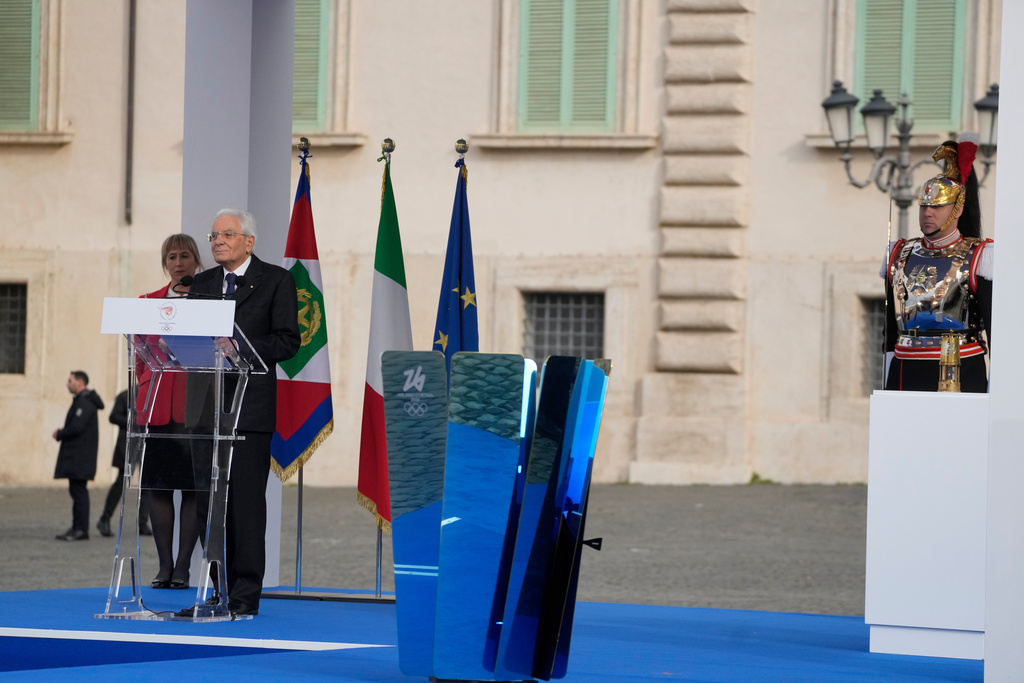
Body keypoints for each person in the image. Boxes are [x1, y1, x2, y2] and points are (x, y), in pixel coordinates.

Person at [185, 208, 300, 616]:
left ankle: (245, 596)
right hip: (205, 409)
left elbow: (289, 342)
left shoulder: (276, 281)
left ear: (248, 241)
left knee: (245, 506)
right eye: (213, 234)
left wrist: (242, 345)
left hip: (248, 411)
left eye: (227, 234)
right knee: (208, 504)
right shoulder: (201, 284)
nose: (217, 241)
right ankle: (217, 591)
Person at [883, 137, 994, 392]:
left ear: (957, 208)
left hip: (961, 368)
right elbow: (889, 332)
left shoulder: (980, 256)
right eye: (924, 205)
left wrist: (994, 391)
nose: (928, 213)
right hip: (904, 371)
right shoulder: (899, 253)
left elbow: (995, 331)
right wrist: (886, 382)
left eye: (937, 206)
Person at [53, 371, 104, 541]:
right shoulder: (83, 401)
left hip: (80, 458)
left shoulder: (85, 402)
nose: (67, 384)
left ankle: (81, 529)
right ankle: (77, 527)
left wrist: (60, 434)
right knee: (76, 491)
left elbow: (77, 427)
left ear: (80, 382)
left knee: (79, 492)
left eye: (70, 381)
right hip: (78, 458)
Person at [96, 389, 152, 538]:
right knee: (121, 483)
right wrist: (133, 420)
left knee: (146, 484)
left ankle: (142, 522)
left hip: (148, 445)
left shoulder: (154, 394)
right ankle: (105, 518)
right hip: (128, 445)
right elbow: (113, 417)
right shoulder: (126, 395)